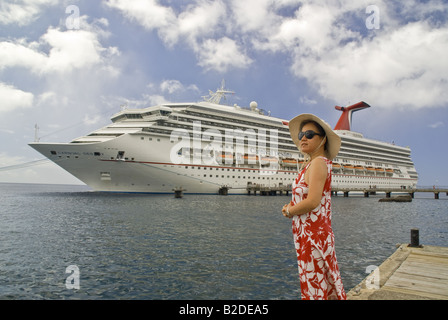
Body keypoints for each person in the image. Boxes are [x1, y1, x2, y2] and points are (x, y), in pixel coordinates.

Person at [282, 114, 346, 300]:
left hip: (313, 237)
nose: (303, 137)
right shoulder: (312, 164)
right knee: (320, 284)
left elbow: (313, 201)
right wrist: (293, 207)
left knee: (316, 286)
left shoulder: (318, 163)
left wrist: (289, 211)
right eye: (302, 133)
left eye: (309, 134)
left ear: (323, 139)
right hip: (309, 235)